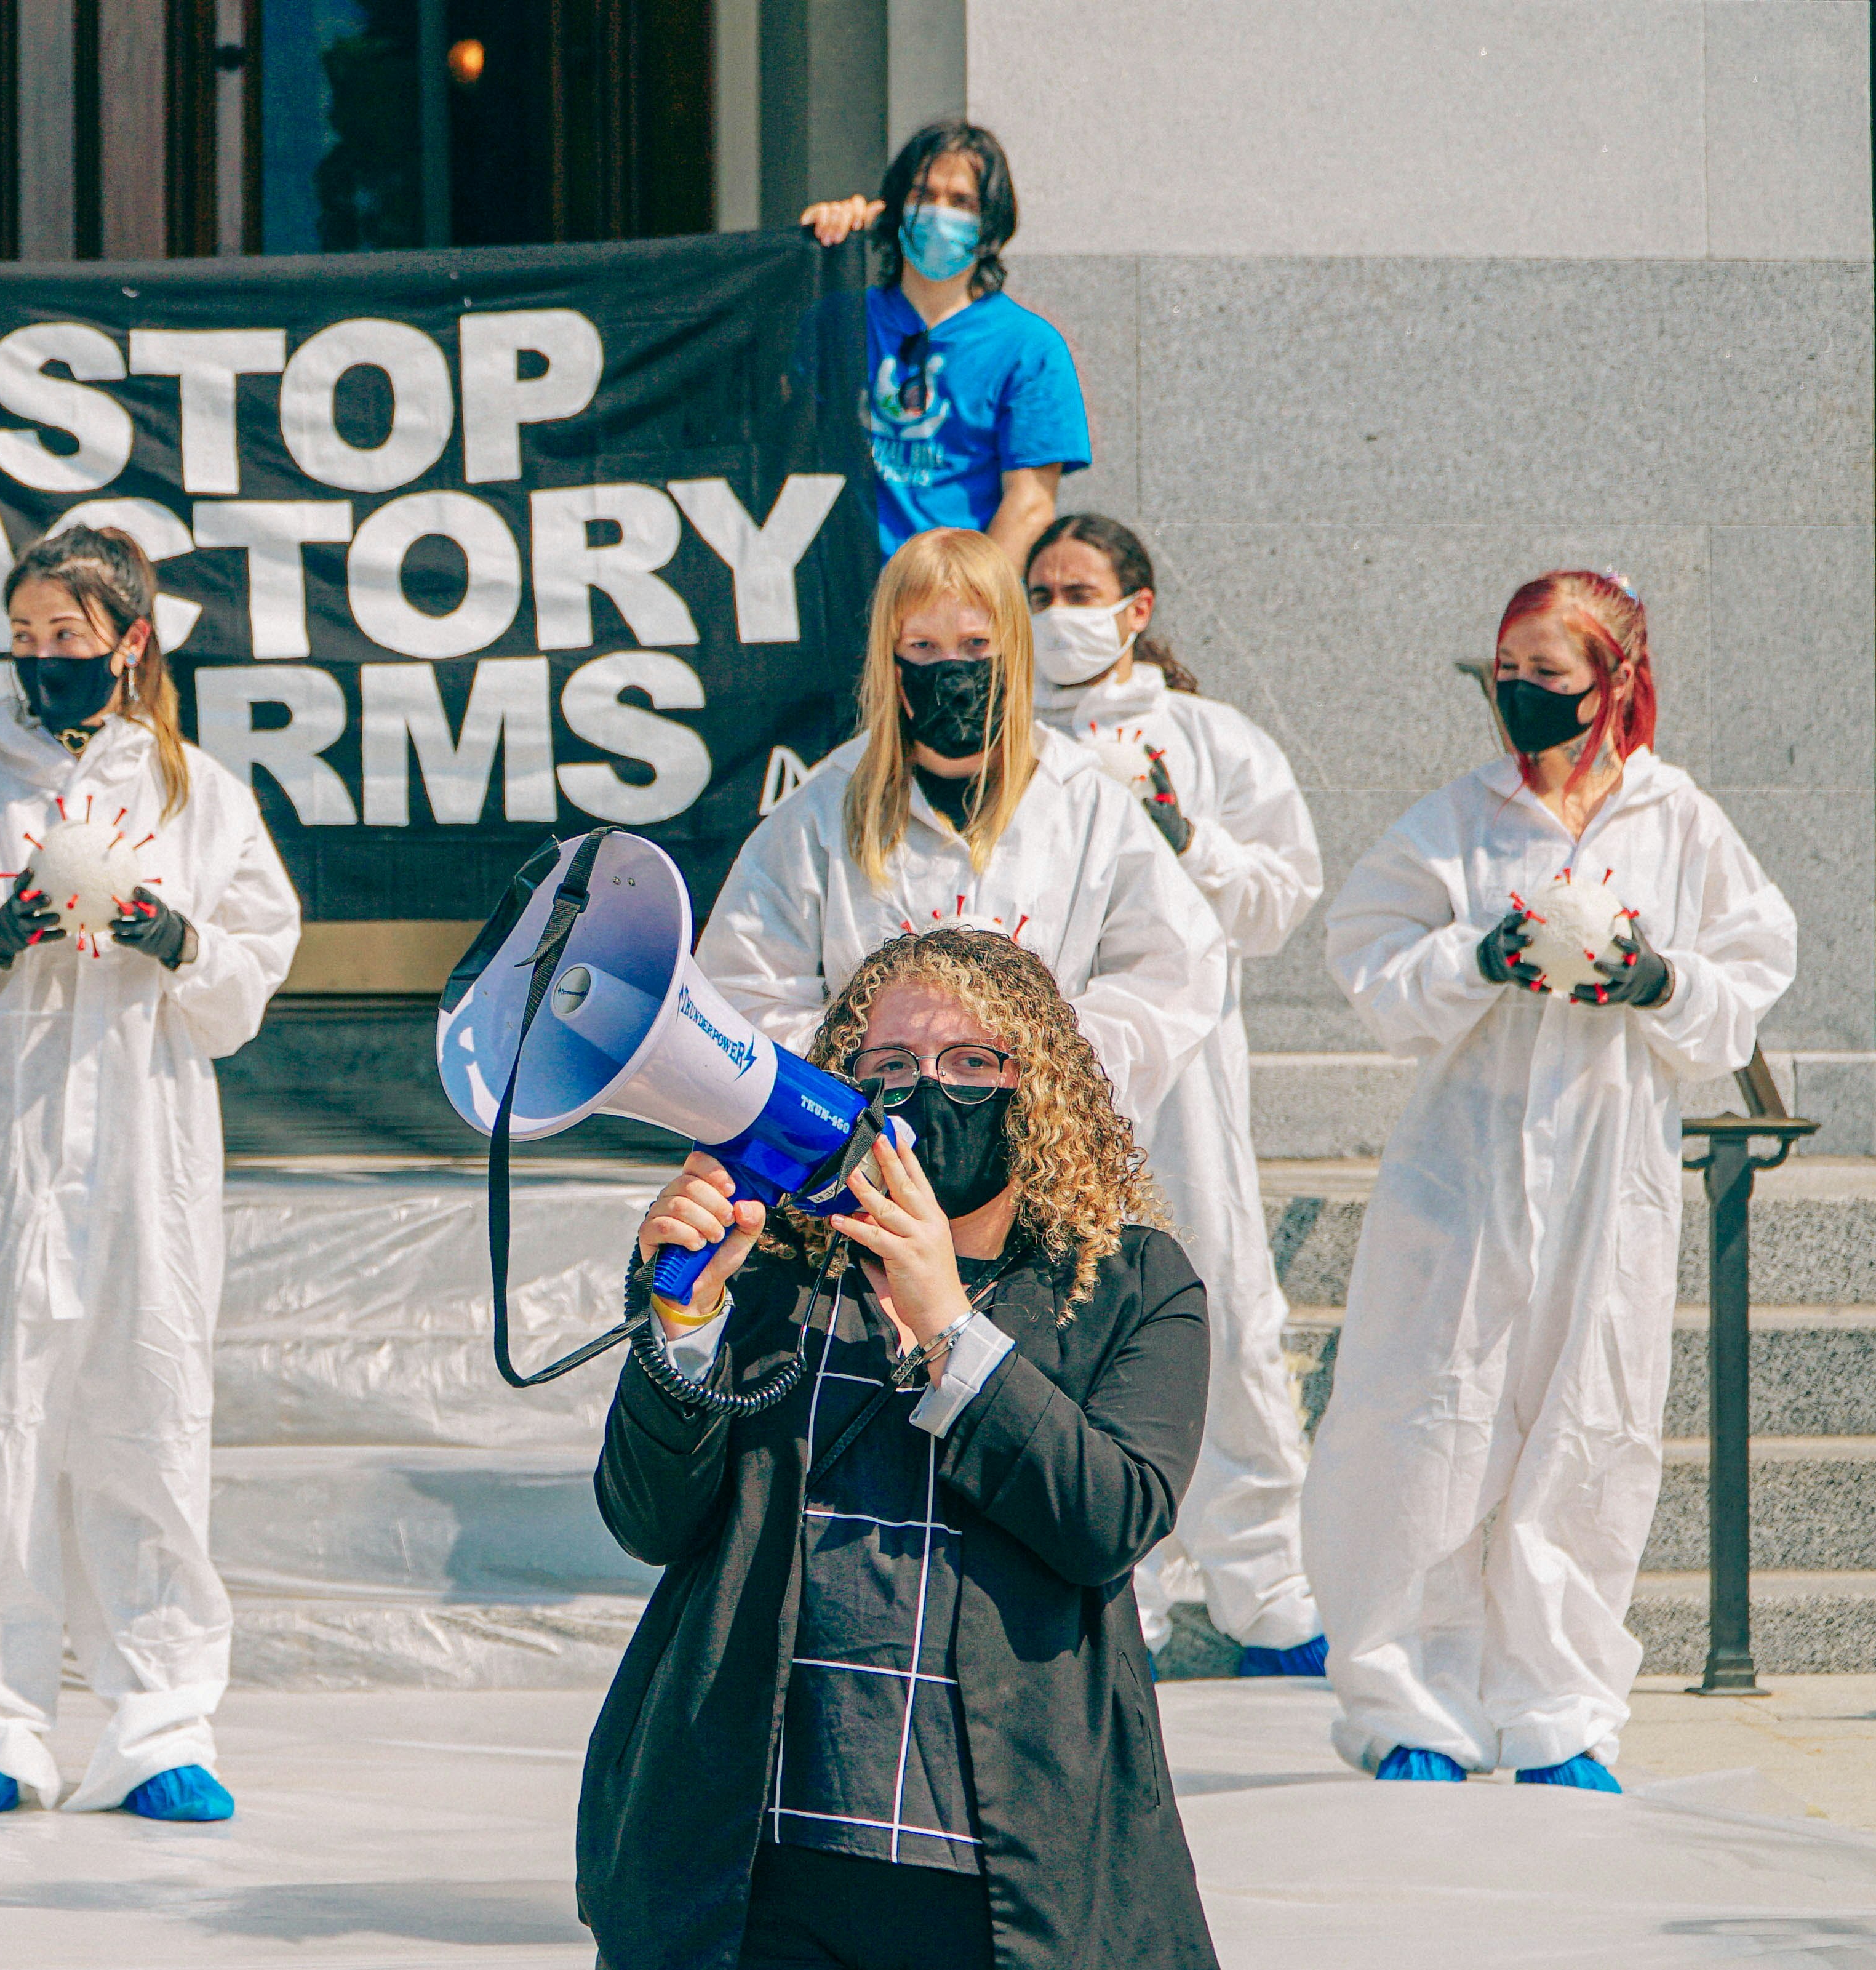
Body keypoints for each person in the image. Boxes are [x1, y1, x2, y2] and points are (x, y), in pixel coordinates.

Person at [588, 927, 1215, 1970]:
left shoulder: (1131, 1285)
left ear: (1039, 1092)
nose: (929, 1090)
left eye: (974, 1060)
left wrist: (948, 1323)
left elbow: (1109, 1519)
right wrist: (680, 1317)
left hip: (1002, 1894)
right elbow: (645, 1517)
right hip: (763, 1868)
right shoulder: (768, 1268)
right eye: (890, 1059)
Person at [1305, 571, 1796, 1789]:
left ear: (1615, 681)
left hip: (1604, 1165)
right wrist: (1474, 957)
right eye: (1505, 675)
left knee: (1587, 1428)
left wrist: (1656, 980)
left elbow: (1752, 961)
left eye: (1548, 678)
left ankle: (1558, 1712)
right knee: (1424, 1423)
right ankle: (1405, 1701)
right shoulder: (1459, 819)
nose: (1520, 699)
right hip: (1460, 1169)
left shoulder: (1676, 820)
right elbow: (1362, 951)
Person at [0, 526, 300, 1824]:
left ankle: (162, 1722)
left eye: (70, 638)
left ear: (130, 642)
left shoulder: (194, 795)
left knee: (143, 1428)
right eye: (27, 638)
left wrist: (176, 938)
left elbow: (251, 968)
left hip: (143, 1169)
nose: (46, 661)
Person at [1025, 513, 1329, 1676]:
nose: (1060, 614)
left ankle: (1271, 1594)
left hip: (1188, 1076)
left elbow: (1276, 899)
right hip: (1052, 1081)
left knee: (1227, 1309)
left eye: (1081, 590)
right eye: (1039, 591)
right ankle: (1118, 1601)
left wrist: (1175, 830)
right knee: (1071, 1322)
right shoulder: (1002, 737)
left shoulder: (1209, 740)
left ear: (1137, 606)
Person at [698, 527, 1227, 1129]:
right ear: (890, 660)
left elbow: (1173, 971)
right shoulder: (821, 813)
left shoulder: (1085, 806)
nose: (951, 671)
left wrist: (1047, 1069)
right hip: (870, 1151)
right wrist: (861, 1084)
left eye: (976, 644)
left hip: (1040, 1155)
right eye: (923, 647)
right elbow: (747, 984)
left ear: (1015, 651)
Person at [799, 121, 1088, 562]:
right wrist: (814, 248)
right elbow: (768, 431)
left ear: (990, 222)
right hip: (838, 601)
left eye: (961, 202)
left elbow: (1029, 506)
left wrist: (967, 611)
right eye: (921, 195)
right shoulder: (835, 321)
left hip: (950, 608)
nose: (938, 213)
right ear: (893, 206)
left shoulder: (1029, 348)